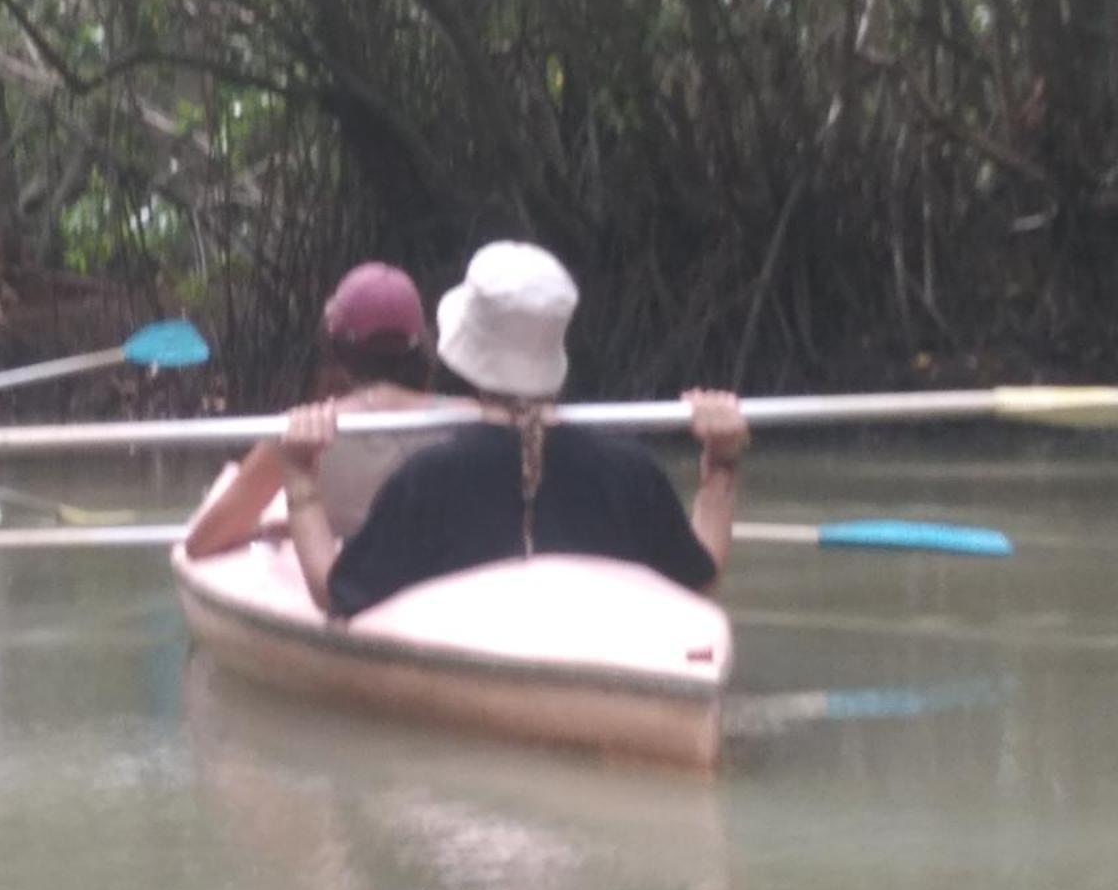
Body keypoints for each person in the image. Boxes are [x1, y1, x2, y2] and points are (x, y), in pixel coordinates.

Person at [275, 242, 749, 618]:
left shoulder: (428, 480)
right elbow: (701, 578)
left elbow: (333, 594)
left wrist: (299, 478)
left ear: (464, 350)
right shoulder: (631, 472)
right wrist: (721, 464)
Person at [184, 263, 467, 558]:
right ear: (420, 342)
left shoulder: (300, 433)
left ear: (335, 346)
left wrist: (276, 528)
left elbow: (201, 543)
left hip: (348, 586)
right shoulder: (473, 420)